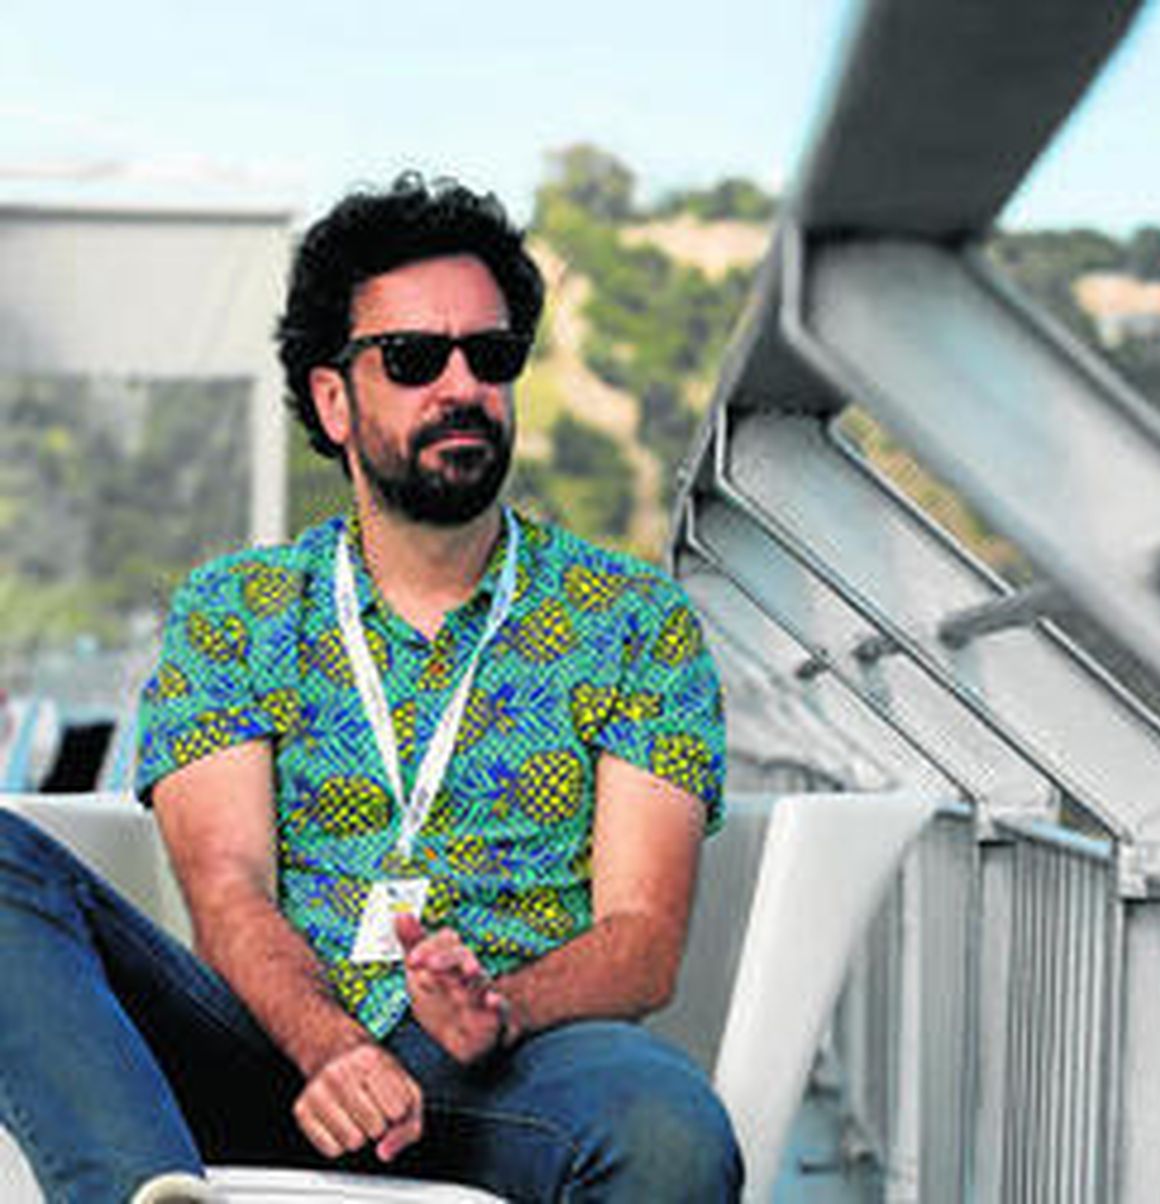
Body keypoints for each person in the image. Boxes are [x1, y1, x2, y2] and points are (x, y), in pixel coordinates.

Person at [0, 173, 741, 1203]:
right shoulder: (240, 607)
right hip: (269, 1054)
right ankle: (141, 1193)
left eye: (490, 355)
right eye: (412, 357)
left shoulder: (628, 618)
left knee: (669, 1131)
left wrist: (503, 1009)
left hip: (501, 1072)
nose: (461, 386)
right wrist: (333, 1046)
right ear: (331, 397)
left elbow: (643, 940)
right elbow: (227, 890)